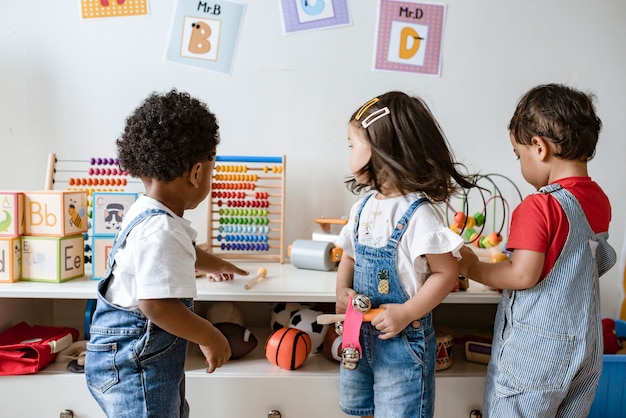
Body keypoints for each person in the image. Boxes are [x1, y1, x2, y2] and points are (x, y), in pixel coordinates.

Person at [85, 89, 249, 418]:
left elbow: (186, 250)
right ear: (197, 173)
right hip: (137, 365)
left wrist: (218, 263)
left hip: (139, 358)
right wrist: (211, 336)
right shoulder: (161, 230)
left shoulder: (148, 213)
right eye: (212, 168)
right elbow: (157, 305)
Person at [458, 83, 617, 417]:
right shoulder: (599, 200)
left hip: (539, 351)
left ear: (538, 147)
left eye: (518, 155)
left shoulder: (539, 205)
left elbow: (522, 274)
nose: (520, 164)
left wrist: (472, 268)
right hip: (586, 349)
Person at [334, 91, 477, 418]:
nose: (349, 153)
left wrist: (406, 312)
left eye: (352, 144)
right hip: (358, 335)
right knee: (359, 410)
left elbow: (446, 273)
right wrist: (341, 290)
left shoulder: (419, 214)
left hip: (402, 343)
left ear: (381, 150)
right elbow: (349, 257)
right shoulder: (362, 207)